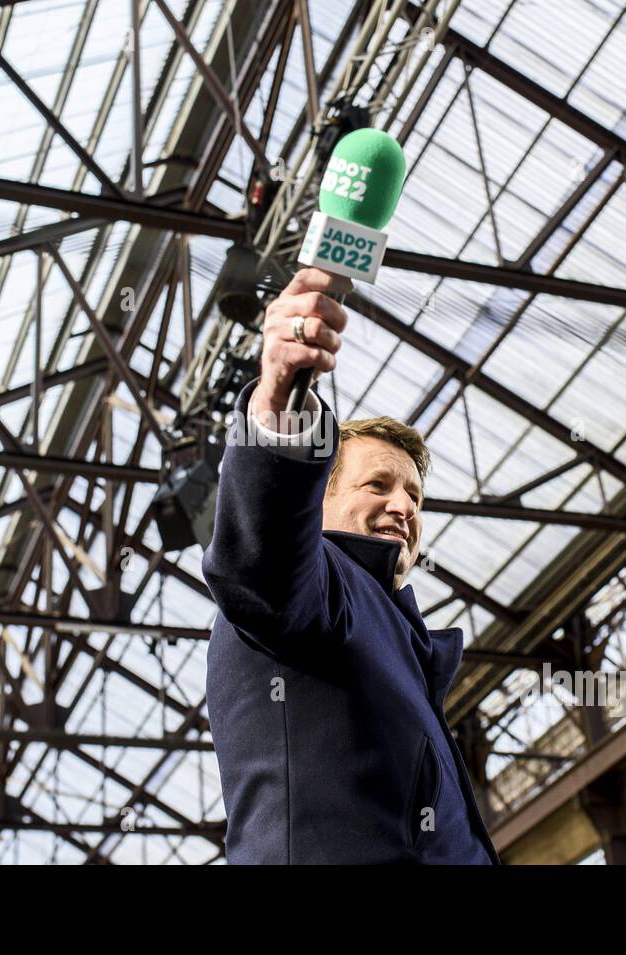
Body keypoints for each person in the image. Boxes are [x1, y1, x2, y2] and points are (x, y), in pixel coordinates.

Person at [202, 267, 501, 864]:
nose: (403, 506)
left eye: (414, 496)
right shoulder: (317, 590)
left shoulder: (395, 637)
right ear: (320, 500)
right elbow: (260, 558)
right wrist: (281, 403)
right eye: (379, 484)